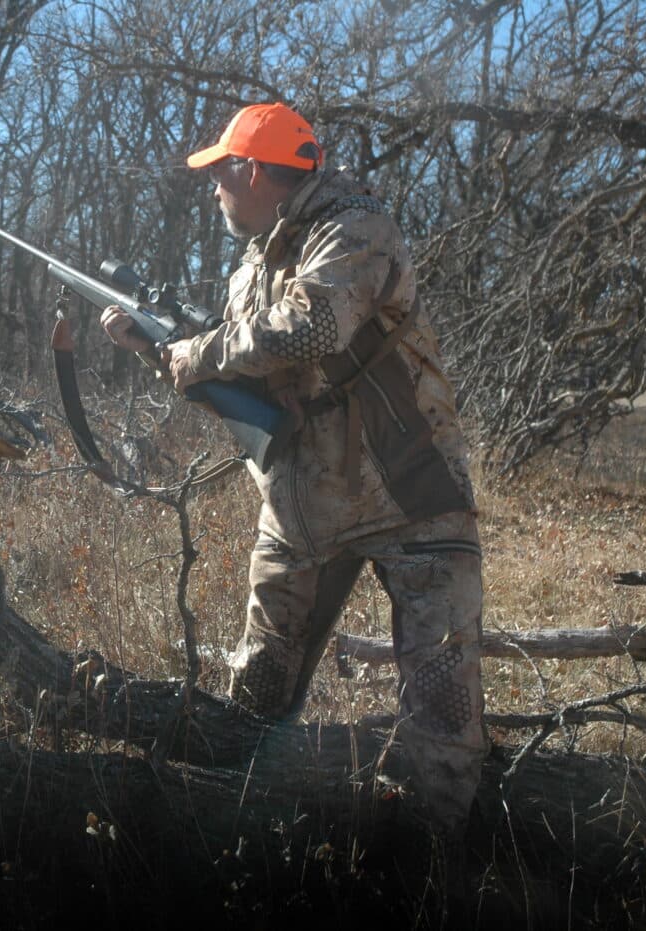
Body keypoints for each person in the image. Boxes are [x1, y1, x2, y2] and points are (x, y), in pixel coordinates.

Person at [101, 103, 487, 845]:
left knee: (442, 710)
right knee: (257, 695)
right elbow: (241, 379)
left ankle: (436, 874)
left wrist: (203, 351)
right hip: (303, 507)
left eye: (219, 175)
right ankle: (242, 839)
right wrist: (155, 349)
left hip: (412, 496)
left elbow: (310, 326)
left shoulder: (356, 227)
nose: (213, 190)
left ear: (251, 172)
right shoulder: (251, 264)